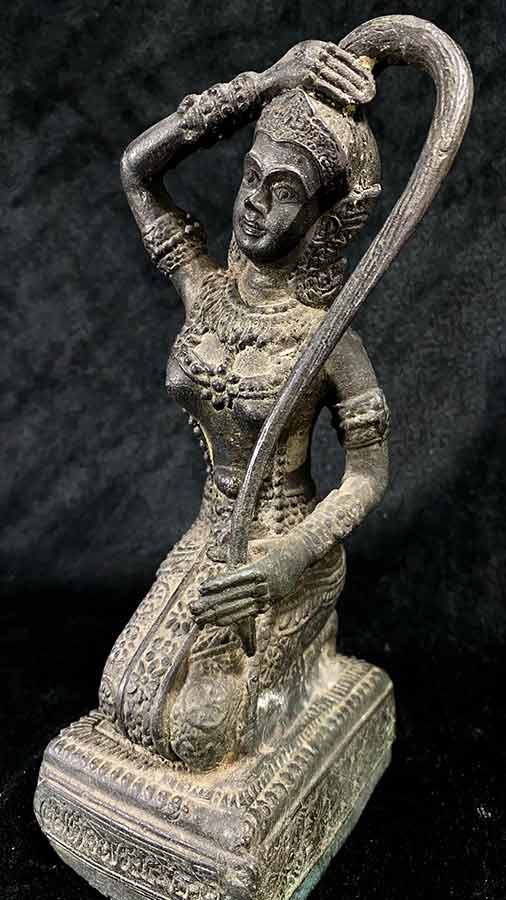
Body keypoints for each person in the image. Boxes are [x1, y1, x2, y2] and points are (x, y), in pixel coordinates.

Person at [98, 41, 390, 771]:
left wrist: (287, 563)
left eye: (284, 190)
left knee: (198, 738)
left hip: (287, 551)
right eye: (252, 177)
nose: (256, 202)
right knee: (124, 697)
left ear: (324, 217)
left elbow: (366, 475)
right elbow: (137, 169)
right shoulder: (204, 292)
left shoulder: (330, 341)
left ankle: (306, 646)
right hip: (209, 532)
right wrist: (262, 86)